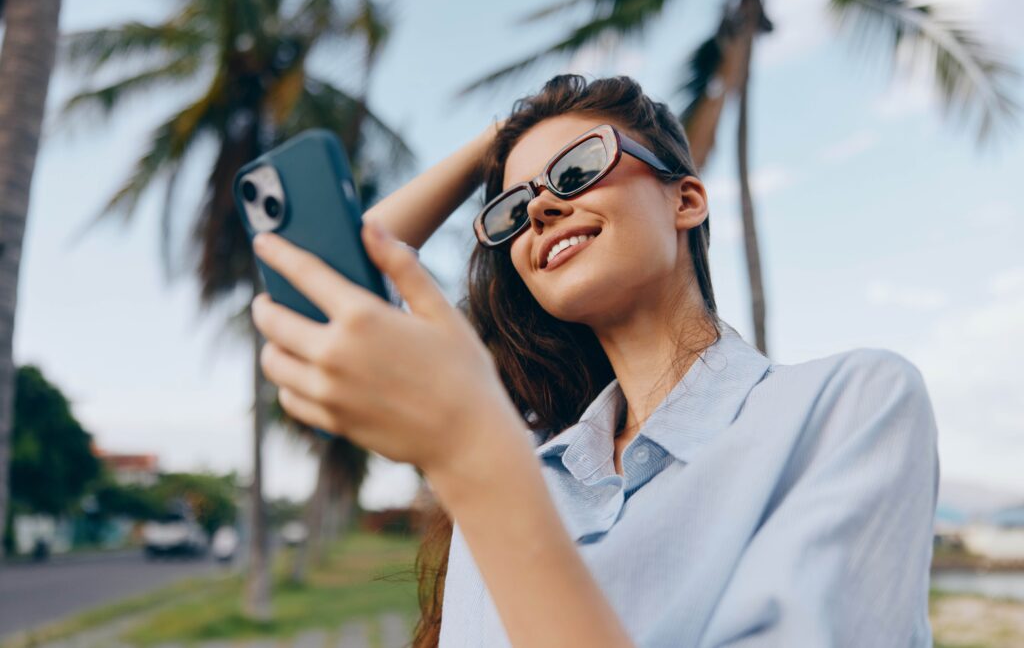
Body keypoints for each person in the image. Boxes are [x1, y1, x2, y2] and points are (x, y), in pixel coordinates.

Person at [249, 75, 939, 647]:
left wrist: (475, 458)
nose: (542, 206)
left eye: (578, 168)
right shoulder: (526, 455)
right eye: (512, 209)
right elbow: (319, 301)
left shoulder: (850, 406)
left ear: (686, 197)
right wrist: (500, 138)